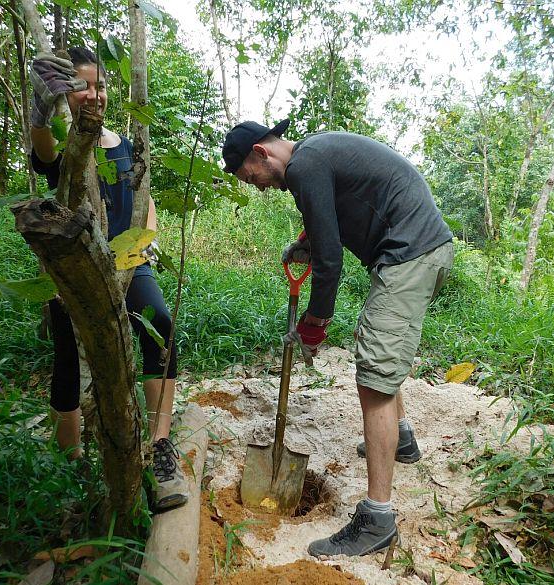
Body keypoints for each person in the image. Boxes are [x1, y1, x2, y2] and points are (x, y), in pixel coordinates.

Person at [222, 120, 454, 557]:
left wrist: (315, 324)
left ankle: (378, 518)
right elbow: (331, 214)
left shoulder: (304, 167)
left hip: (411, 253)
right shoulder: (313, 156)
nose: (255, 187)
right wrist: (307, 238)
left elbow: (331, 263)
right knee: (381, 344)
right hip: (418, 248)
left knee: (373, 375)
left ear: (260, 152)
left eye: (248, 177)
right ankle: (400, 438)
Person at [29, 47, 187, 513]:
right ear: (65, 94)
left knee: (161, 327)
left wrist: (144, 245)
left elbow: (144, 198)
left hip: (128, 261)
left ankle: (159, 444)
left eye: (98, 85)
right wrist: (39, 110)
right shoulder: (63, 142)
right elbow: (43, 150)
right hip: (73, 270)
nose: (91, 94)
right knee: (68, 358)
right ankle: (73, 464)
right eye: (80, 86)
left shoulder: (124, 144)